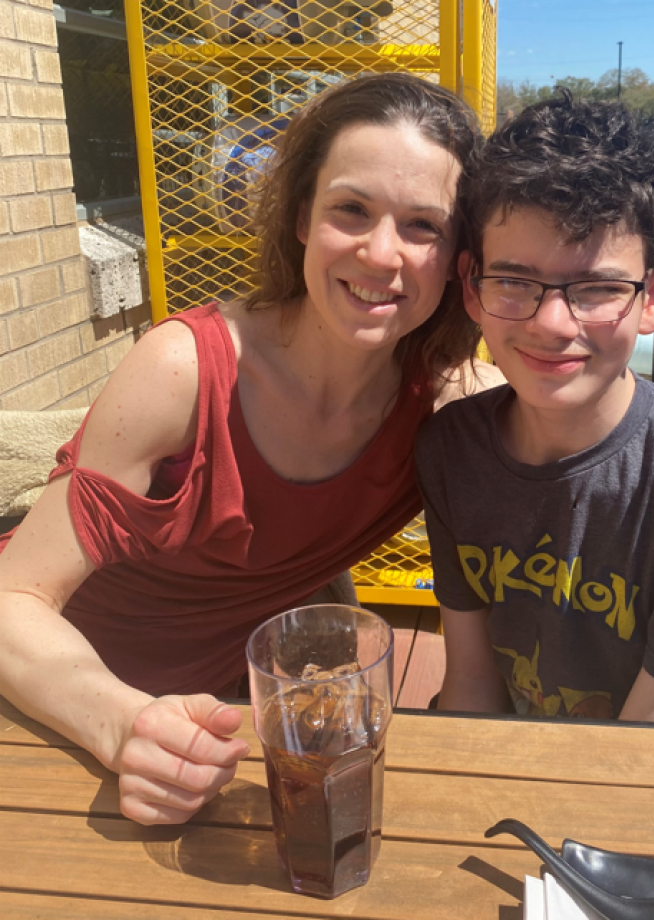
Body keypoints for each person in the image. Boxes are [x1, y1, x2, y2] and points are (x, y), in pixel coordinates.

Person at [0, 73, 501, 826]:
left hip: (208, 736)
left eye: (424, 226)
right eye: (351, 210)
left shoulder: (449, 409)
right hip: (46, 703)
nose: (380, 252)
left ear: (459, 255)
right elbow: (13, 600)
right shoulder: (185, 370)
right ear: (302, 217)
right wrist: (121, 722)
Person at [416, 91, 654, 728]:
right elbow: (472, 686)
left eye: (597, 288)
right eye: (514, 281)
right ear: (471, 288)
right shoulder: (450, 451)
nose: (553, 323)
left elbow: (642, 761)